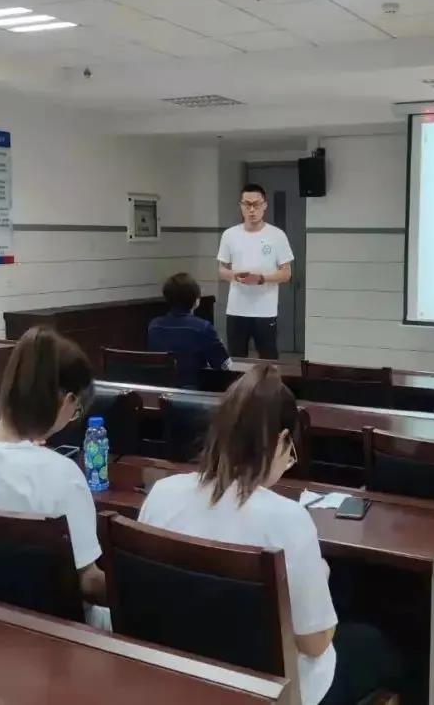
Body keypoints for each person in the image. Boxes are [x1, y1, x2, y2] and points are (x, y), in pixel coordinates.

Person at [140, 365, 401, 705]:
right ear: (281, 440)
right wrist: (320, 580)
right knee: (375, 645)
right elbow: (315, 643)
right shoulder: (289, 520)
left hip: (183, 677)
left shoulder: (161, 494)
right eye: (291, 450)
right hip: (274, 693)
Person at [0, 327, 105, 613]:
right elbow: (88, 581)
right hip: (50, 631)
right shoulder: (63, 476)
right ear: (66, 401)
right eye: (76, 411)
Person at [217, 183, 294, 360]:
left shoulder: (277, 235)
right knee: (236, 359)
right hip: (236, 309)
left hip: (265, 310)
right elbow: (222, 270)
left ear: (264, 205)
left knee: (269, 359)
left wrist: (261, 279)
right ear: (241, 206)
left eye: (256, 204)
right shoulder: (229, 235)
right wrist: (235, 276)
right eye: (247, 204)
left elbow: (286, 273)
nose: (252, 210)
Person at [148, 272, 231, 388]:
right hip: (192, 390)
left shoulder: (154, 326)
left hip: (160, 389)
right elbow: (224, 365)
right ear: (196, 300)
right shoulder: (202, 327)